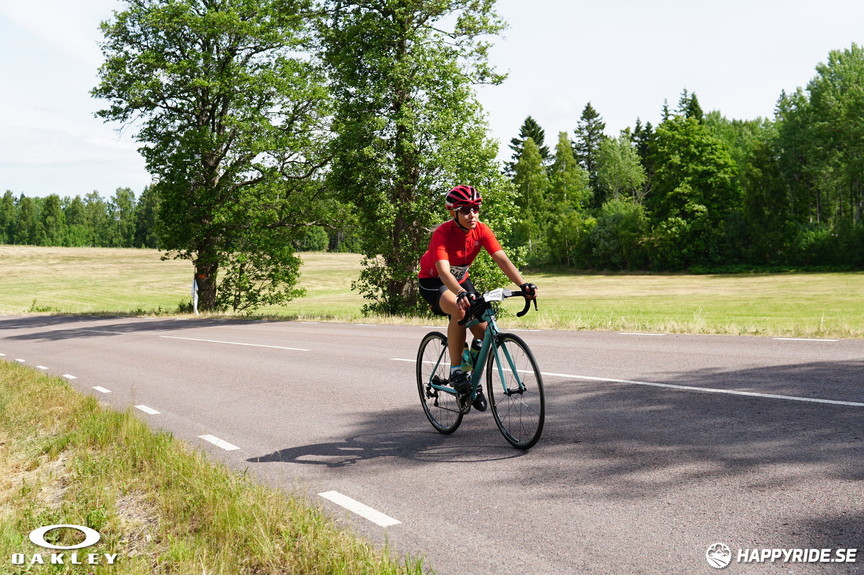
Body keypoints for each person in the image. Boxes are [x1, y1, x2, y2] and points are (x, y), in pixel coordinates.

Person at [418, 185, 537, 411]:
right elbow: (443, 272)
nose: (472, 215)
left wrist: (523, 284)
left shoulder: (481, 230)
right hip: (434, 282)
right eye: (465, 210)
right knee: (459, 309)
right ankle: (456, 372)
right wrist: (460, 293)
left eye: (476, 209)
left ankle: (472, 379)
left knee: (485, 331)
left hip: (461, 280)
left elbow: (501, 259)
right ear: (453, 213)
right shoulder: (442, 233)